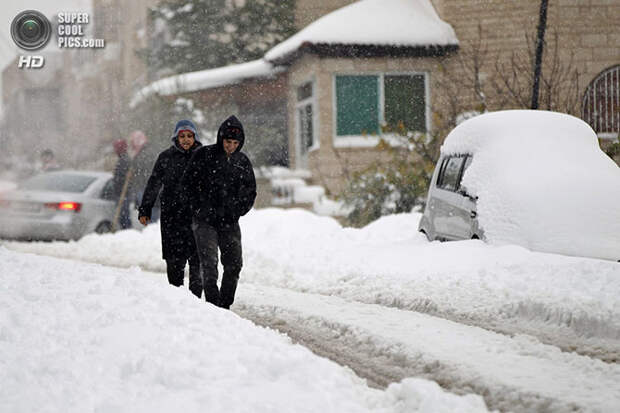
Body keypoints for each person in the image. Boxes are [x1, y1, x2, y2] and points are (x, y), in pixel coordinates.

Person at [180, 115, 256, 309]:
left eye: (235, 143)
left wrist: (237, 210)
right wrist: (198, 208)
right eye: (227, 142)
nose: (230, 146)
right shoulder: (203, 156)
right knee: (209, 264)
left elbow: (250, 191)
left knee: (234, 264)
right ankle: (212, 306)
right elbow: (187, 185)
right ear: (221, 139)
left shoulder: (242, 162)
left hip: (229, 222)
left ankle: (224, 305)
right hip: (204, 222)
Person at [138, 120, 203, 298]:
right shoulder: (166, 157)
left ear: (195, 137)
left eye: (189, 136)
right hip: (172, 218)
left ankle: (197, 302)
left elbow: (212, 184)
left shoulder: (203, 156)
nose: (186, 140)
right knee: (174, 261)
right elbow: (154, 183)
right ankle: (176, 299)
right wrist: (145, 209)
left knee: (197, 261)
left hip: (196, 217)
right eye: (182, 136)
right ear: (176, 138)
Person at [129, 130, 160, 223]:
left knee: (151, 217)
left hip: (146, 190)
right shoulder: (144, 152)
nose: (132, 145)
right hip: (147, 189)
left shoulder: (144, 154)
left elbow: (147, 173)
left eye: (133, 142)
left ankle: (151, 234)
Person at [111, 139, 132, 230]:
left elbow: (122, 178)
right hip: (121, 193)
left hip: (123, 193)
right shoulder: (122, 159)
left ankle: (127, 232)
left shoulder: (125, 160)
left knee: (124, 216)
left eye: (117, 148)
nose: (115, 150)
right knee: (123, 216)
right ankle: (126, 231)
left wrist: (120, 188)